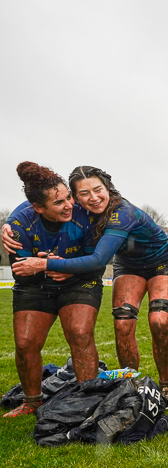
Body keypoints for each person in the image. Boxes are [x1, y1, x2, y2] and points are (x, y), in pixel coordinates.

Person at [11, 166, 168, 409]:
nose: (93, 198)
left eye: (97, 190)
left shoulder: (122, 213)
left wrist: (45, 264)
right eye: (83, 193)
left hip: (163, 263)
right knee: (123, 323)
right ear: (75, 196)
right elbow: (35, 202)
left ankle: (165, 386)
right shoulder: (74, 207)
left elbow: (98, 261)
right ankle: (129, 386)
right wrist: (9, 222)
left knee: (159, 321)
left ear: (108, 187)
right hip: (129, 265)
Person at [3, 163, 103, 417]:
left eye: (68, 197)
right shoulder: (18, 224)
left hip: (79, 280)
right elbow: (21, 270)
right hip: (35, 286)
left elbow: (96, 261)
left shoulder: (85, 214)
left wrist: (63, 265)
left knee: (80, 333)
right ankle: (31, 401)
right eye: (59, 203)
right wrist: (43, 265)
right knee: (25, 343)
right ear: (38, 208)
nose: (69, 204)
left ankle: (87, 398)